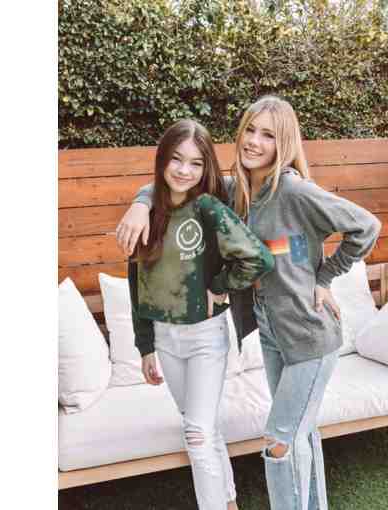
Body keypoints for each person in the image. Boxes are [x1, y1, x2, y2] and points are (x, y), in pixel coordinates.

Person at [115, 97, 381, 510]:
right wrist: (140, 201)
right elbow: (179, 181)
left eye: (268, 135)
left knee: (279, 440)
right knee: (301, 434)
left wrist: (325, 277)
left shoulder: (293, 190)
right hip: (272, 333)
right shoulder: (236, 190)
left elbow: (366, 227)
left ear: (284, 143)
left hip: (309, 333)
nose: (254, 141)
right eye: (250, 130)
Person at [124, 119, 274, 510]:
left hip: (206, 336)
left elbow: (259, 257)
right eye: (176, 159)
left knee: (196, 433)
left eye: (195, 163)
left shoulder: (208, 208)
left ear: (206, 167)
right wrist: (145, 346)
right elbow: (136, 283)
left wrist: (220, 285)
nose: (183, 171)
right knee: (202, 426)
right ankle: (228, 501)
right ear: (162, 160)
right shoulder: (146, 214)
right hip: (164, 338)